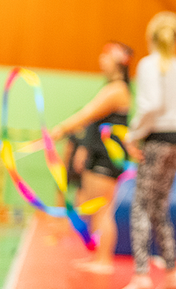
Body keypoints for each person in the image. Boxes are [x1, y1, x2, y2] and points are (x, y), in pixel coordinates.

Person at [113, 11, 176, 289]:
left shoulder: (150, 65)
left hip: (157, 141)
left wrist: (132, 134)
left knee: (140, 207)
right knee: (159, 208)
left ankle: (141, 275)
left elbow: (150, 104)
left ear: (150, 37)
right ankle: (171, 272)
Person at [51, 41, 134, 274]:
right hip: (99, 155)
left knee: (103, 209)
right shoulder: (110, 87)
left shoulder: (117, 90)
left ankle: (104, 260)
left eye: (106, 56)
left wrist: (62, 128)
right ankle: (98, 256)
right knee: (94, 208)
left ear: (119, 62)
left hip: (107, 158)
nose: (101, 60)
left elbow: (88, 113)